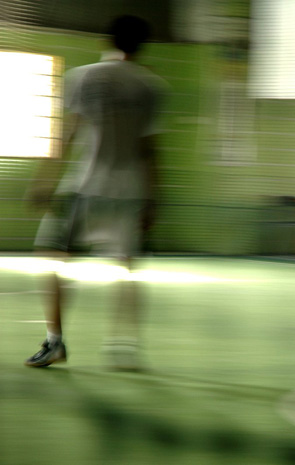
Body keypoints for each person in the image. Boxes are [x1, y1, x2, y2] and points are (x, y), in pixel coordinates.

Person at [24, 15, 164, 369]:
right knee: (126, 266)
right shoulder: (152, 87)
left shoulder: (82, 77)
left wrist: (43, 181)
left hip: (84, 186)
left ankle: (55, 341)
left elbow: (66, 138)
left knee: (53, 253)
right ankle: (124, 347)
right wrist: (153, 199)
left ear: (108, 39)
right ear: (142, 44)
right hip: (129, 190)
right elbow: (150, 150)